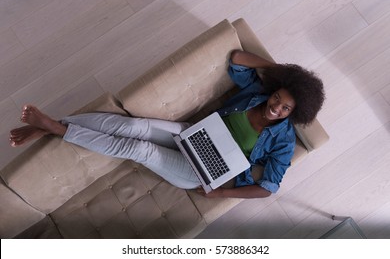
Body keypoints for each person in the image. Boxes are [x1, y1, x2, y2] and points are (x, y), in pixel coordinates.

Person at [9, 50, 325, 198]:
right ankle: (49, 126)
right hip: (191, 134)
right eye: (278, 98)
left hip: (200, 171)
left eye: (285, 109)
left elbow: (267, 189)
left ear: (293, 115)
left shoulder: (283, 141)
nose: (276, 108)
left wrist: (220, 194)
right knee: (133, 126)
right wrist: (281, 72)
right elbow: (237, 59)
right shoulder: (259, 92)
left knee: (138, 149)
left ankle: (57, 128)